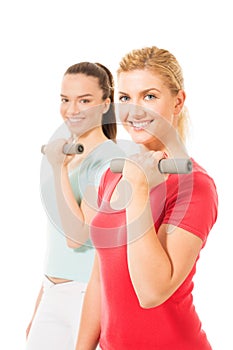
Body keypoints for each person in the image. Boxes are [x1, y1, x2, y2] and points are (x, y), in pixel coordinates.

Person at [76, 46, 218, 349]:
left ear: (178, 101)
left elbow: (151, 292)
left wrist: (139, 191)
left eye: (149, 96)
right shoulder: (115, 175)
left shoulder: (196, 186)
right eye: (125, 98)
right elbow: (100, 280)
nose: (134, 110)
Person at [26, 61, 124, 350]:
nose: (72, 110)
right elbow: (55, 240)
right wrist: (42, 301)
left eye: (85, 100)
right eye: (65, 99)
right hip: (54, 289)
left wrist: (56, 169)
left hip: (84, 295)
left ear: (106, 104)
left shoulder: (110, 161)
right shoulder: (72, 157)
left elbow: (77, 237)